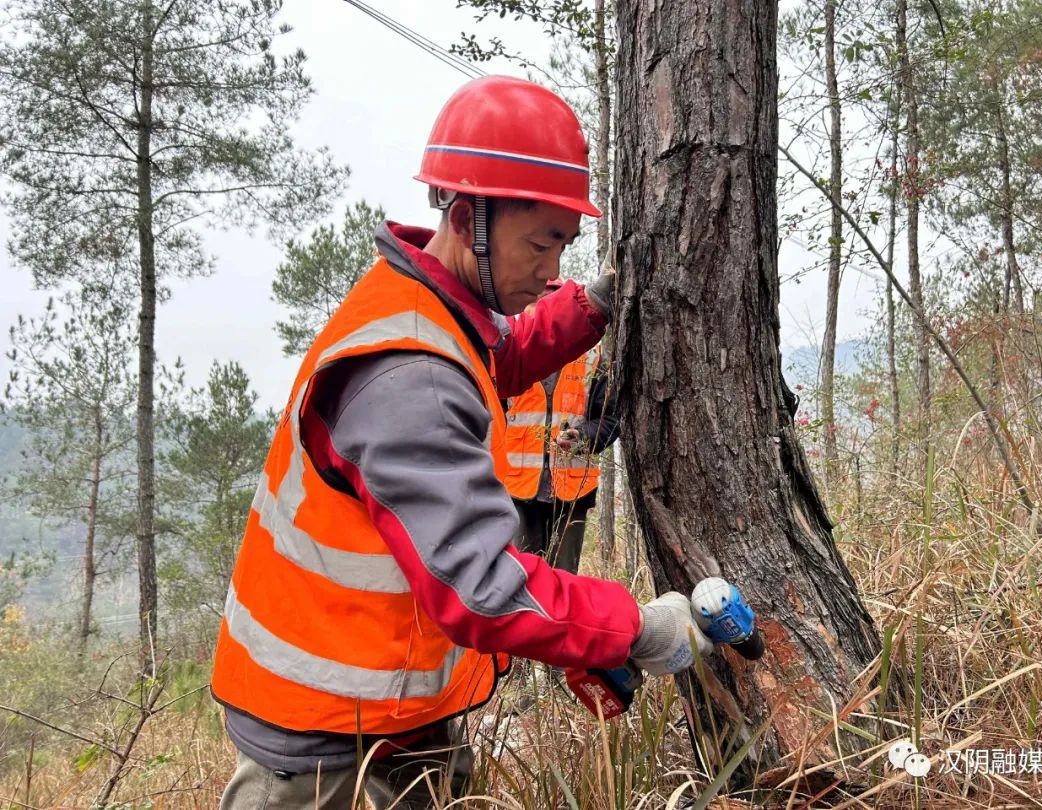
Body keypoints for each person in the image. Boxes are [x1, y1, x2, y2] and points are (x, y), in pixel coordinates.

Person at [212, 75, 712, 810]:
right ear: (468, 212)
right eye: (543, 244)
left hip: (379, 713)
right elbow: (481, 589)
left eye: (566, 247)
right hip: (329, 759)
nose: (551, 274)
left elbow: (493, 359)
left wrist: (588, 307)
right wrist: (634, 628)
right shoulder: (407, 375)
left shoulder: (420, 302)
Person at [506, 278, 619, 574]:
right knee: (520, 579)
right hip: (516, 490)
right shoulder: (509, 350)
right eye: (535, 302)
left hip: (571, 493)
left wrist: (582, 436)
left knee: (563, 580)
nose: (541, 309)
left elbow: (611, 418)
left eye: (550, 302)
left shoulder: (593, 357)